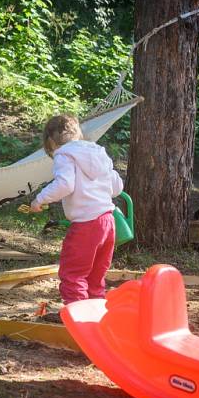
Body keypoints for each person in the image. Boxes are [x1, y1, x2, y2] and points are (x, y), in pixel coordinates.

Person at [29, 114, 123, 304]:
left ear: (50, 142)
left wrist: (39, 199)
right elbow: (117, 187)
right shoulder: (99, 153)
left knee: (73, 273)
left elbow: (65, 184)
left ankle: (77, 319)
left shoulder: (64, 154)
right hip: (107, 221)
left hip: (86, 224)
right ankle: (96, 316)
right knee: (96, 275)